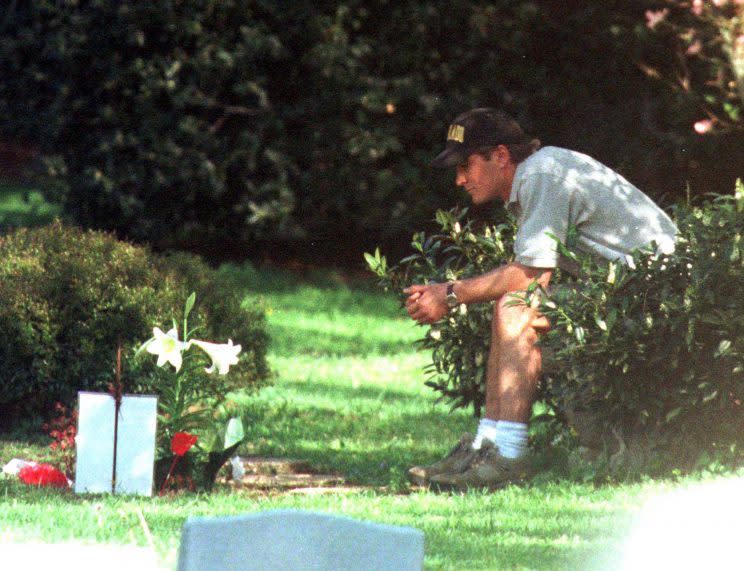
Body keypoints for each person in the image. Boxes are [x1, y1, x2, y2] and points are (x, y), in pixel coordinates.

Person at [405, 108, 677, 490]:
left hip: (658, 299)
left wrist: (448, 294)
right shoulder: (538, 174)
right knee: (511, 305)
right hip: (635, 293)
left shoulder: (542, 175)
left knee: (517, 306)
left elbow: (531, 275)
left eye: (466, 165)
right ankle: (487, 445)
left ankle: (508, 457)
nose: (460, 179)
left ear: (501, 156)